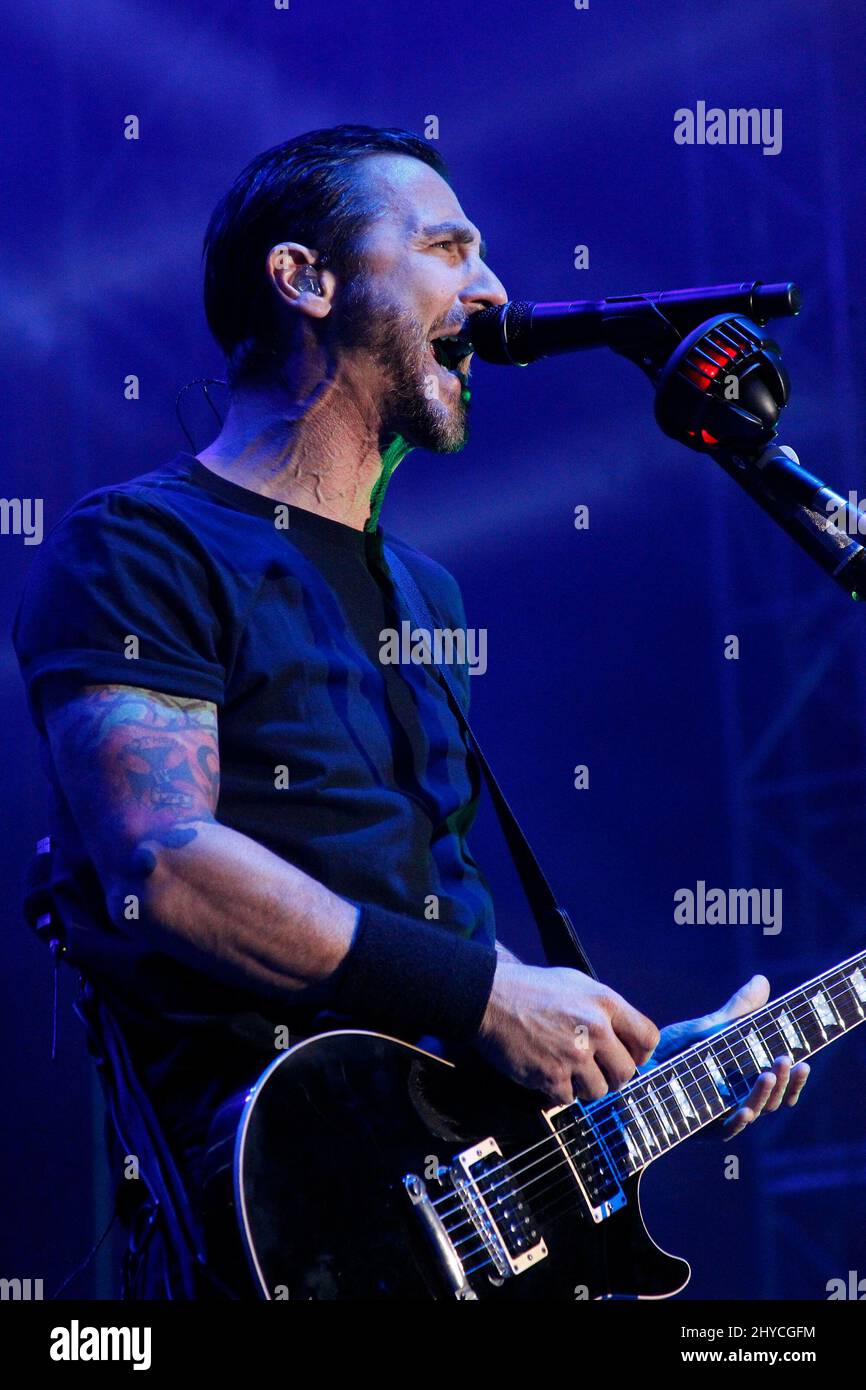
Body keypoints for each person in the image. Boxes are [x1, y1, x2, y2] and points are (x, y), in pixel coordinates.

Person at [13, 124, 809, 1299]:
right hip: (283, 1209)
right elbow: (162, 862)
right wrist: (486, 994)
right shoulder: (140, 544)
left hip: (446, 1205)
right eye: (446, 247)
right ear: (304, 279)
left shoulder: (424, 592)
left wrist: (623, 1085)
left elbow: (422, 926)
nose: (491, 289)